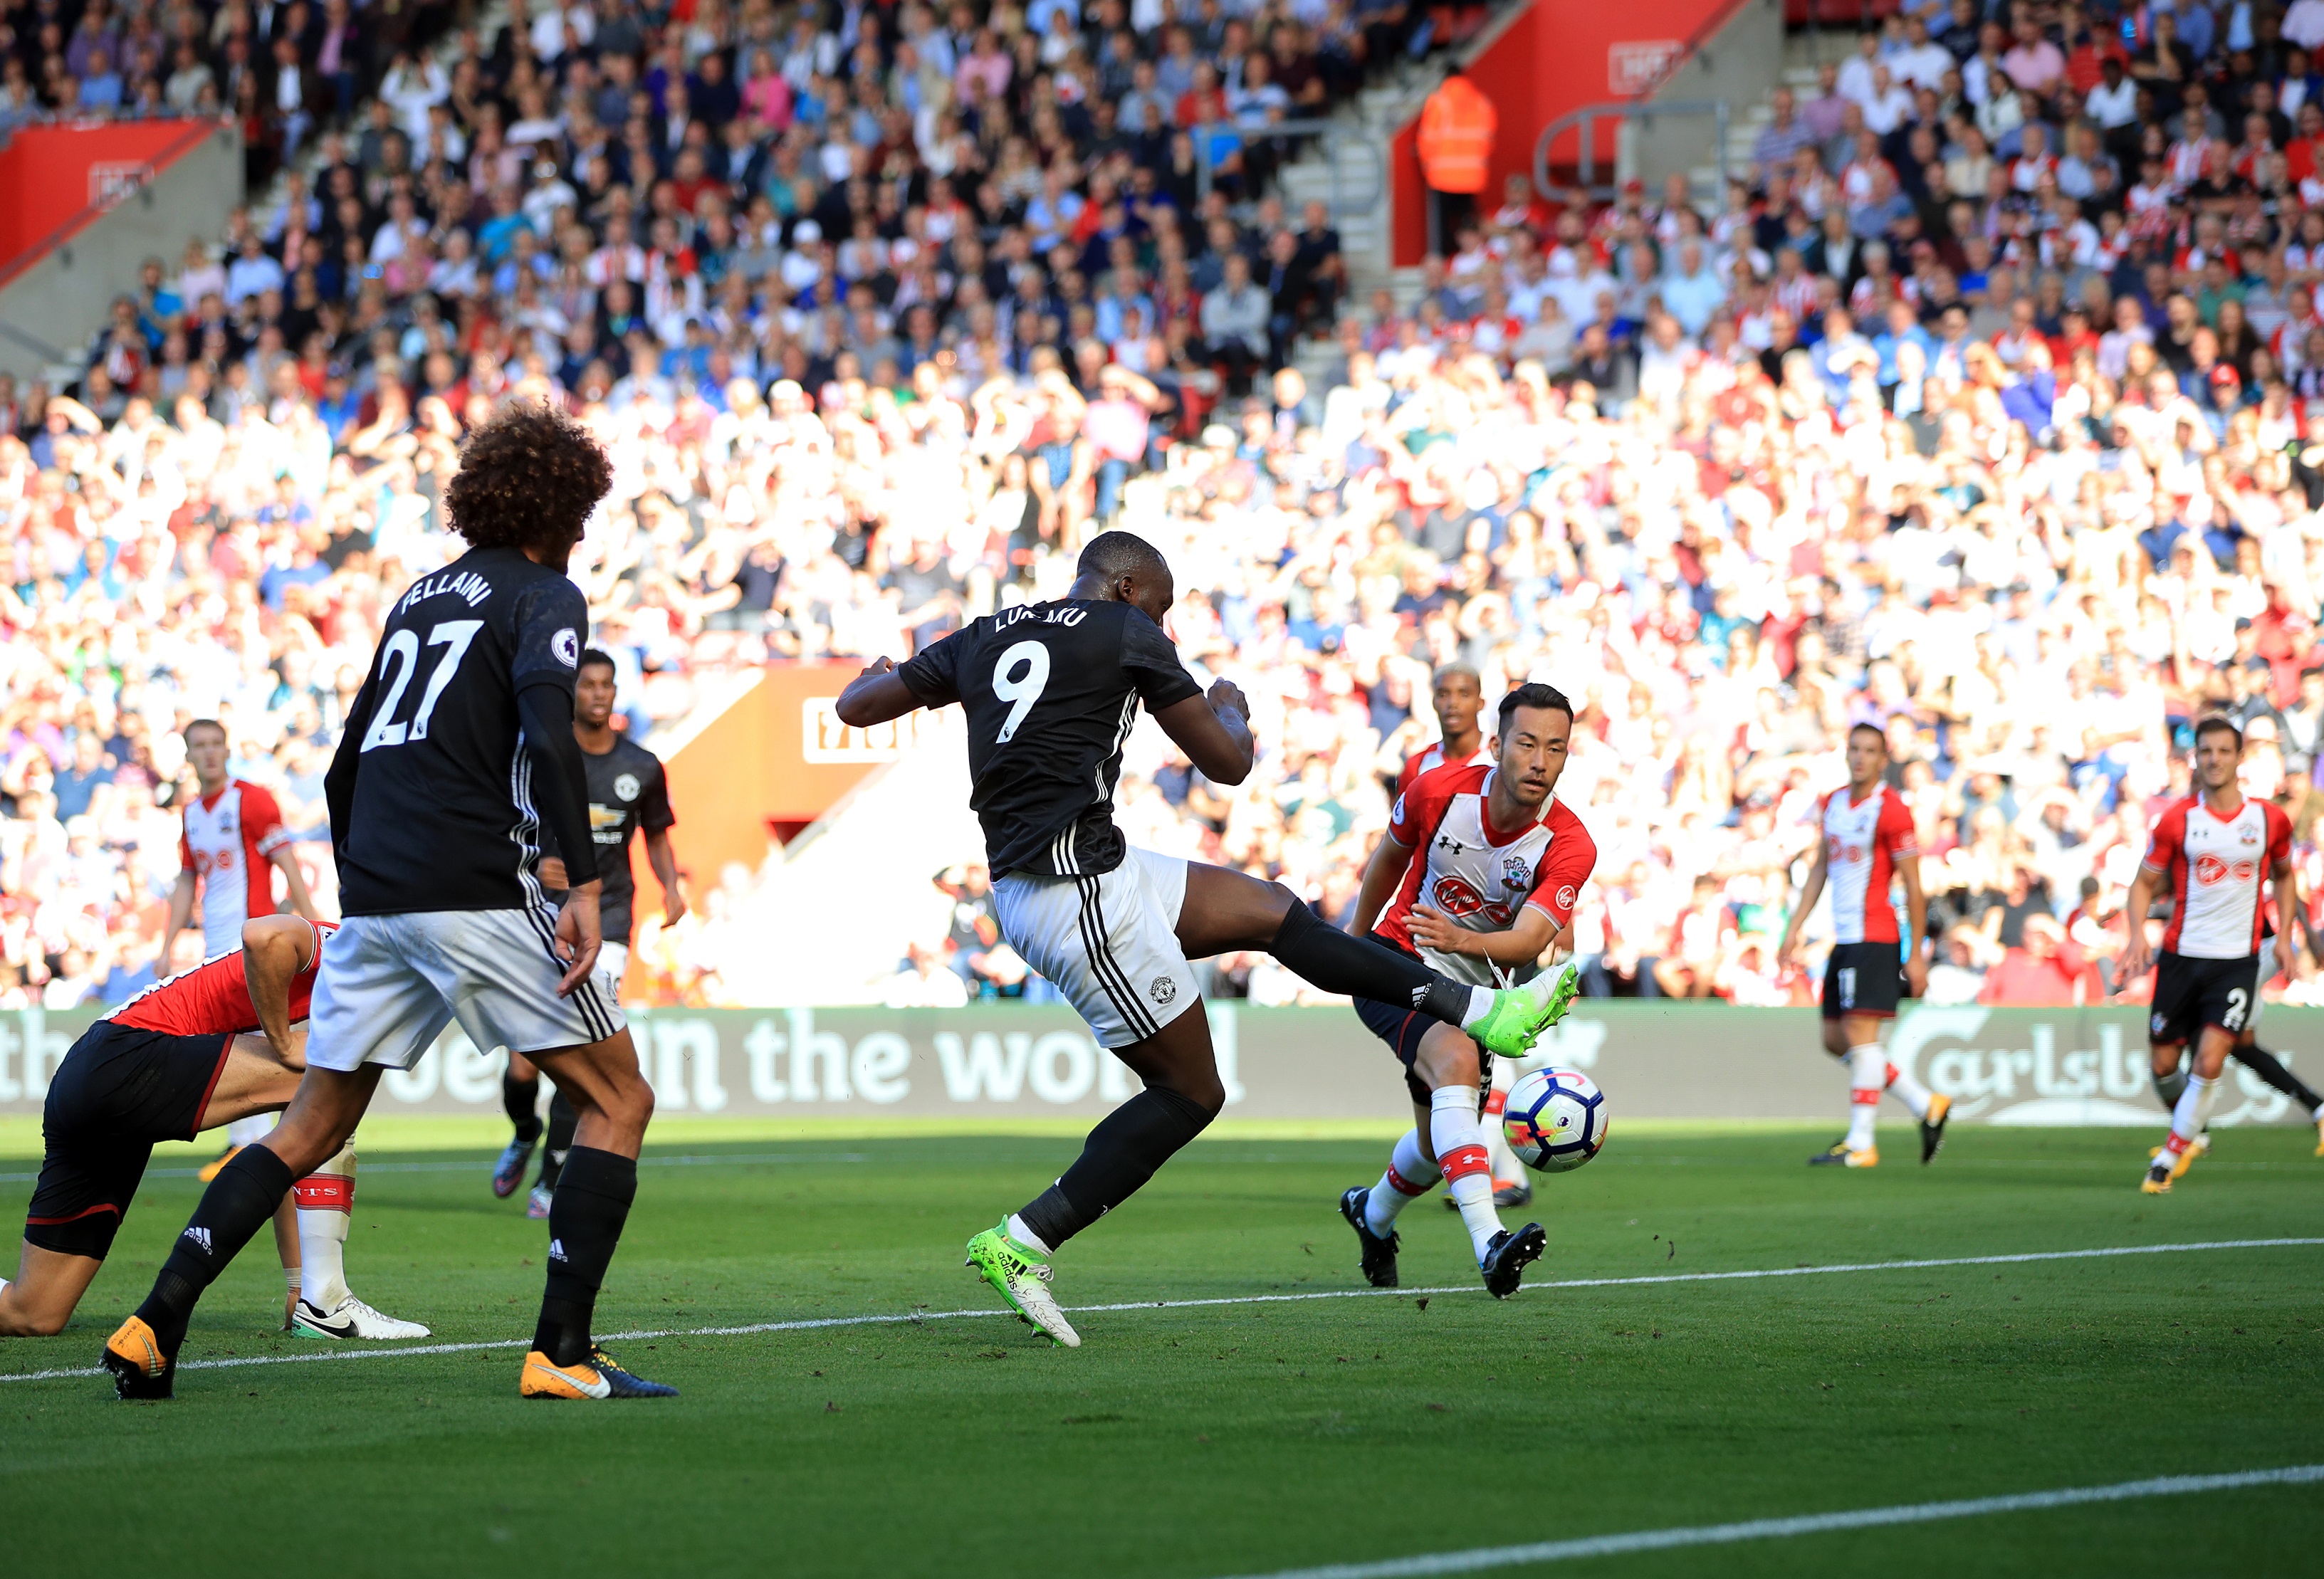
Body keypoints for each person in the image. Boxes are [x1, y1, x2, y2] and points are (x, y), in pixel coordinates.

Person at [834, 530, 1579, 1348]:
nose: (1168, 626)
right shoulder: (1126, 631)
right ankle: (1023, 1241)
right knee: (1192, 1092)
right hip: (1069, 892)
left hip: (1095, 865)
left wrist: (875, 676)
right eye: (1162, 607)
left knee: (1275, 912)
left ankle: (1476, 1008)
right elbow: (1226, 764)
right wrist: (1231, 708)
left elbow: (858, 706)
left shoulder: (986, 630)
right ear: (1125, 590)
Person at [101, 401, 669, 1402]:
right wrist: (580, 880)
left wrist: (366, 889)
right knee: (620, 1097)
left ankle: (154, 1322)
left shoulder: (417, 598)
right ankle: (563, 1353)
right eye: (581, 509)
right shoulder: (543, 592)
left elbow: (342, 761)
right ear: (559, 502)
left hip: (382, 894)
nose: (584, 528)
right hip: (475, 889)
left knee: (308, 1124)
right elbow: (545, 736)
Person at [0, 916, 426, 1343]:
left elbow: (288, 1150)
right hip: (126, 1056)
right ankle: (325, 1302)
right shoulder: (358, 946)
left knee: (33, 1313)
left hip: (87, 1075)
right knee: (329, 1088)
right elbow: (264, 935)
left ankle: (310, 1296)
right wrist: (280, 1040)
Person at [1338, 683, 1596, 1298]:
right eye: (1527, 744)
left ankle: (1370, 1215)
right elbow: (1388, 858)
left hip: (1471, 993)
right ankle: (1489, 1244)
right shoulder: (1437, 790)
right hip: (1396, 960)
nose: (1540, 762)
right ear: (1497, 744)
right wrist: (1351, 946)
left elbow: (1533, 938)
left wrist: (1460, 941)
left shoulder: (1568, 843)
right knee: (1453, 1060)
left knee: (1434, 1146)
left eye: (1555, 749)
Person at [495, 647, 684, 1215]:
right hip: (541, 913)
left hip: (610, 919)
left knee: (578, 1048)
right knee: (524, 1064)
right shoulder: (540, 757)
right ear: (573, 693)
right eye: (589, 685)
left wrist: (672, 888)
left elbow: (655, 836)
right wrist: (530, 867)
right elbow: (503, 828)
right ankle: (525, 1131)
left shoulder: (642, 766)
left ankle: (551, 1181)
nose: (599, 693)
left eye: (607, 684)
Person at [2120, 718, 2303, 1194]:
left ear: (2239, 758)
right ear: (2195, 759)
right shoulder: (2178, 820)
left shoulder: (2268, 819)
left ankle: (2168, 1158)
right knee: (2163, 1066)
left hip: (2237, 962)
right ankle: (2193, 1131)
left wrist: (2282, 937)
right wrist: (2136, 934)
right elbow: (2143, 884)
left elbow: (2285, 875)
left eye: (2225, 751)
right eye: (2207, 751)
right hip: (2182, 958)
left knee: (2209, 1062)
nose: (2215, 759)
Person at [1395, 664, 1536, 1207]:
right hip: (1434, 933)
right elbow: (1405, 849)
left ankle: (1503, 1176)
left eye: (1463, 694)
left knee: (1491, 1053)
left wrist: (1551, 923)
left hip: (1498, 932)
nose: (1452, 703)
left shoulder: (1502, 762)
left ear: (1482, 703)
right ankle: (1497, 1173)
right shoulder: (1420, 767)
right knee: (1470, 1060)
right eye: (1442, 693)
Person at [1776, 723, 1947, 1168]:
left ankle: (1862, 1142)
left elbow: (1913, 884)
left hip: (1876, 936)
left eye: (1870, 751)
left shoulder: (1891, 810)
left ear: (1883, 758)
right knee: (1835, 1040)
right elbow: (1820, 869)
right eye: (1854, 749)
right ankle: (1925, 1103)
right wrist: (1795, 926)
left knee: (1860, 1039)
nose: (1860, 758)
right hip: (1844, 937)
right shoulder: (1833, 802)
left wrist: (1916, 951)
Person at [169, 718, 322, 1178]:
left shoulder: (250, 799)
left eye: (217, 744)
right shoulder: (193, 813)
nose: (211, 753)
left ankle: (253, 1144)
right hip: (216, 942)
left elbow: (285, 858)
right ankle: (255, 1141)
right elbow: (187, 879)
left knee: (252, 1039)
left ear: (226, 749)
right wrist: (168, 942)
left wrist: (310, 920)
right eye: (201, 745)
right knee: (235, 1039)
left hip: (251, 939)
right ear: (189, 755)